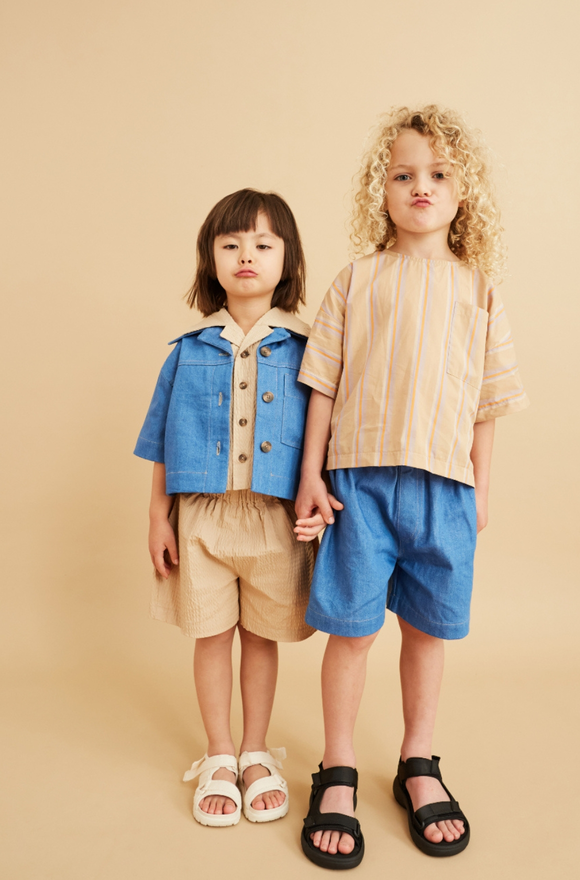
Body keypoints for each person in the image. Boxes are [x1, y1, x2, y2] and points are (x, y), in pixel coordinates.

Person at [294, 105, 530, 868]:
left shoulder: (479, 290)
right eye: (403, 175)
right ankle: (336, 768)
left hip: (444, 489)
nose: (419, 187)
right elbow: (321, 386)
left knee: (427, 632)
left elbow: (488, 404)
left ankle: (418, 763)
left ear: (465, 196)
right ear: (381, 191)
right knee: (353, 631)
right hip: (359, 484)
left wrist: (482, 488)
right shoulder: (357, 280)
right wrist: (310, 479)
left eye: (437, 175)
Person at [134, 189, 328, 827]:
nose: (247, 254)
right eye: (231, 243)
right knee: (211, 634)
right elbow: (162, 440)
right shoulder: (187, 350)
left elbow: (326, 437)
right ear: (210, 259)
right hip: (203, 519)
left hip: (274, 518)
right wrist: (159, 516)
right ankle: (218, 750)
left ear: (288, 260)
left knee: (260, 636)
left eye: (264, 243)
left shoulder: (311, 349)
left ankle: (254, 749)